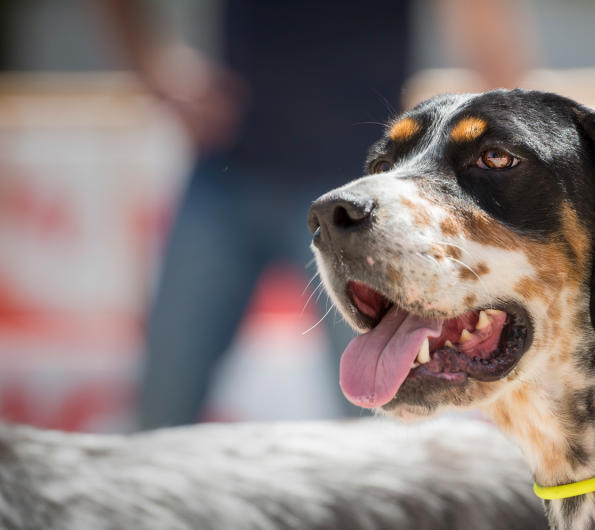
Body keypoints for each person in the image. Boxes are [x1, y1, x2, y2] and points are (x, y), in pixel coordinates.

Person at [98, 0, 531, 428]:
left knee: (385, 420)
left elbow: (485, 30)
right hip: (227, 180)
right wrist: (154, 65)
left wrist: (503, 167)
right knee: (161, 411)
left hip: (359, 199)